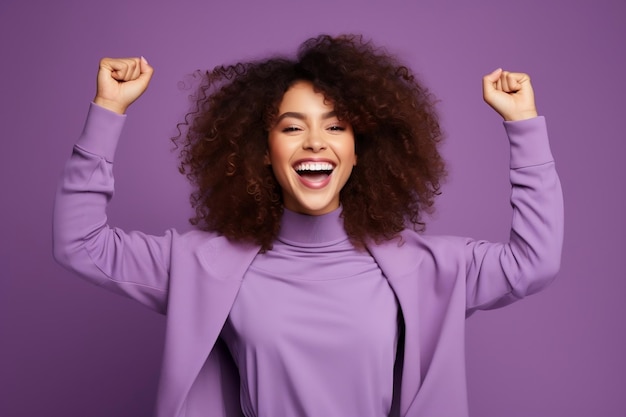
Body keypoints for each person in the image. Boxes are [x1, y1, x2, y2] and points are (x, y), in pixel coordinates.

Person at [53, 34, 563, 417]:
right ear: (263, 151)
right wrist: (108, 110)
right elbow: (80, 243)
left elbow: (534, 262)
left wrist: (524, 127)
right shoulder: (202, 265)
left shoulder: (428, 268)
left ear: (360, 153)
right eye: (292, 127)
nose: (315, 142)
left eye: (336, 127)